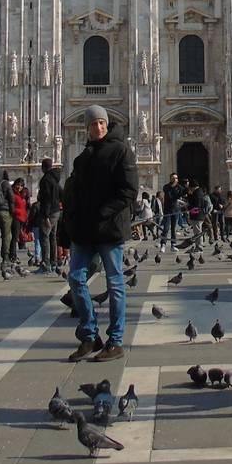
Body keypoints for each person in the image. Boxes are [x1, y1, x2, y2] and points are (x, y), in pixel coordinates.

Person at [64, 105, 138, 363]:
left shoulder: (121, 151)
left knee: (116, 283)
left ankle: (115, 341)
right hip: (84, 231)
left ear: (106, 125)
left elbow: (129, 191)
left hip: (109, 229)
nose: (97, 127)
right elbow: (73, 193)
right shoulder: (82, 157)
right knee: (75, 278)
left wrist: (103, 212)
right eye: (92, 124)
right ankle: (89, 335)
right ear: (86, 128)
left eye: (101, 123)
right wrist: (70, 223)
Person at [35, 160, 62, 272]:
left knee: (44, 236)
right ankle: (53, 262)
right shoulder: (56, 179)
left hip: (49, 212)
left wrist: (45, 216)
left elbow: (46, 199)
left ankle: (45, 264)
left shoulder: (46, 180)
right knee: (52, 237)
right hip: (56, 211)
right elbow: (62, 193)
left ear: (43, 167)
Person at [160, 171, 184, 252]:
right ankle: (163, 244)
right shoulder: (166, 187)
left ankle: (173, 245)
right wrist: (175, 189)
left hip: (176, 210)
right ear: (170, 179)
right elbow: (171, 197)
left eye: (176, 178)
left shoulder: (179, 187)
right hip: (168, 210)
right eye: (173, 178)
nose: (175, 179)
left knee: (174, 228)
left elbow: (184, 192)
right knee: (166, 227)